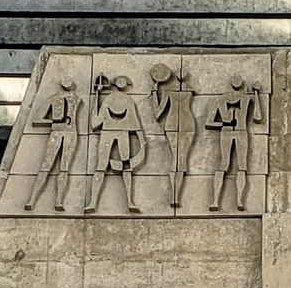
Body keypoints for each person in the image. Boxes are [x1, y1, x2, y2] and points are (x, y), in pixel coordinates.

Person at [85, 72, 146, 214]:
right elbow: (96, 123)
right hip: (108, 133)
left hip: (122, 133)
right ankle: (93, 202)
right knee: (101, 167)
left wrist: (142, 140)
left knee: (126, 166)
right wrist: (96, 96)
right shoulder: (108, 100)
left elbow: (135, 123)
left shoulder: (127, 101)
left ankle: (129, 202)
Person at [23, 76, 81, 211]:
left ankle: (59, 201)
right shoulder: (53, 99)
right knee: (46, 166)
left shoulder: (76, 98)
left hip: (71, 133)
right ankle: (32, 199)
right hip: (57, 132)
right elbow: (37, 118)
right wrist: (55, 121)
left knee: (64, 167)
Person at [205, 77, 264, 211]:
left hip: (241, 132)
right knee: (224, 164)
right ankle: (215, 200)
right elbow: (209, 122)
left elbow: (258, 117)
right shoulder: (219, 100)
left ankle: (239, 200)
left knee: (242, 166)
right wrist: (224, 123)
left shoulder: (246, 99)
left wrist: (256, 94)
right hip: (226, 132)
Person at [149, 60, 199, 210]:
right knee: (180, 160)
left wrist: (153, 95)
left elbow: (158, 113)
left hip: (175, 124)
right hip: (186, 123)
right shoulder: (187, 90)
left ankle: (175, 196)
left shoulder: (169, 91)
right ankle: (175, 196)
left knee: (177, 160)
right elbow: (159, 115)